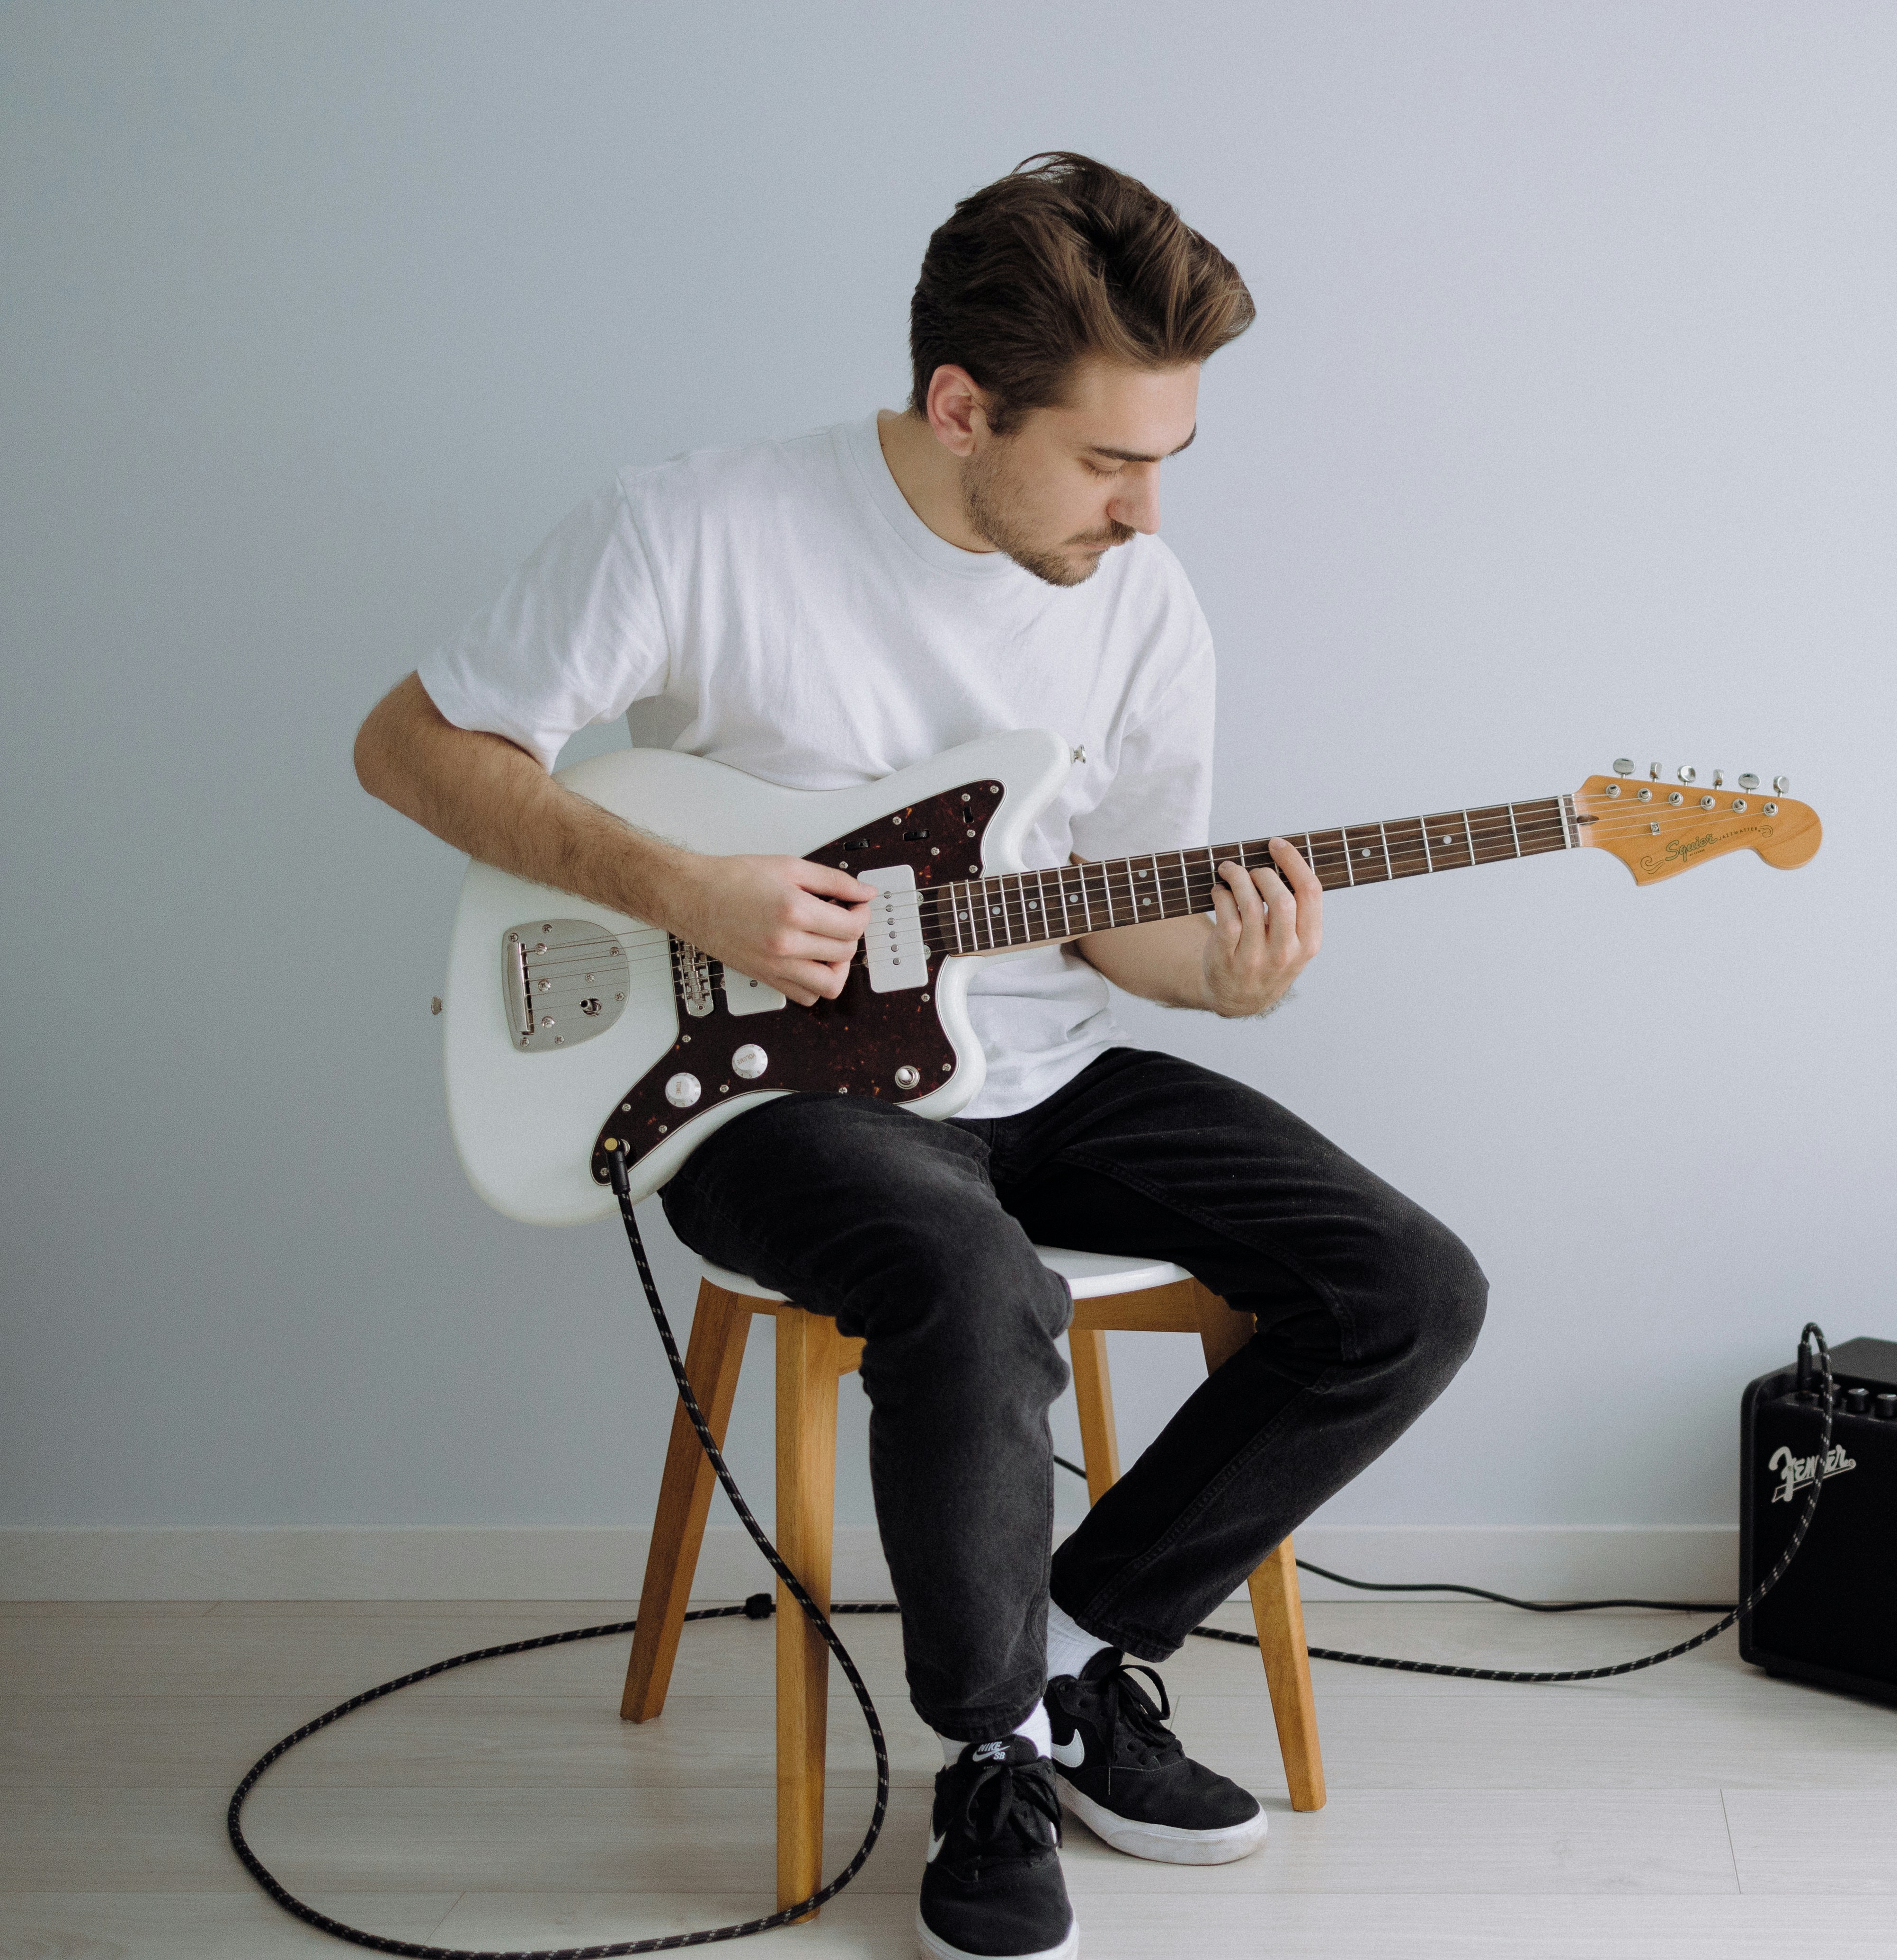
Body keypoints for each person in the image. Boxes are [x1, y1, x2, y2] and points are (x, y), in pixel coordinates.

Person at [353, 152, 1487, 1960]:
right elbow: (413, 747)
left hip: (1041, 1072)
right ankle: (990, 1758)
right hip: (769, 1096)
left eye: (1169, 460)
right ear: (964, 408)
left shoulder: (1142, 605)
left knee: (1410, 1287)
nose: (1147, 514)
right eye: (1108, 462)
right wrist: (689, 892)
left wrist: (1233, 976)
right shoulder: (697, 528)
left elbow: (1119, 915)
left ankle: (1072, 1656)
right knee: (974, 1280)